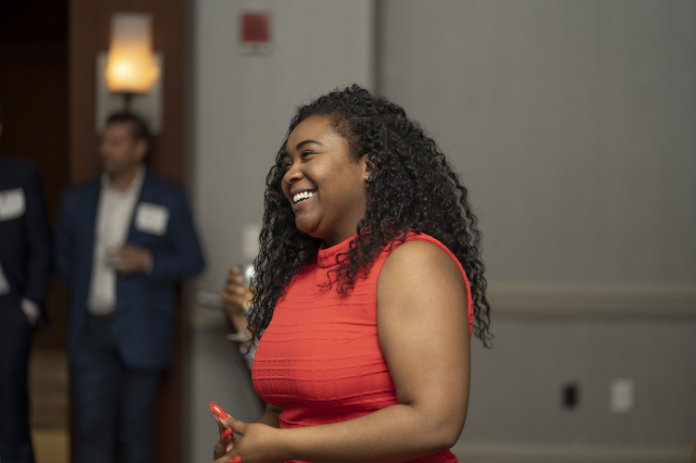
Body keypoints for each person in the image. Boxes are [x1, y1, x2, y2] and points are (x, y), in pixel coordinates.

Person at [210, 85, 492, 463]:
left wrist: (281, 445)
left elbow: (435, 423)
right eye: (286, 164)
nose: (291, 173)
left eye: (308, 155)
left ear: (369, 165)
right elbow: (288, 413)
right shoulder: (297, 277)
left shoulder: (412, 262)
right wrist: (248, 444)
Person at [55, 111, 205, 463]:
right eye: (103, 141)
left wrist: (148, 261)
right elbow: (62, 258)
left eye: (115, 142)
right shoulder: (78, 199)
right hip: (92, 331)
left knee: (135, 433)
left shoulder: (167, 197)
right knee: (91, 430)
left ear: (139, 148)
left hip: (143, 331)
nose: (104, 149)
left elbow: (194, 260)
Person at [0, 104, 52, 463]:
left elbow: (40, 245)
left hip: (9, 310)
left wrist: (30, 306)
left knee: (10, 408)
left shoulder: (21, 175)